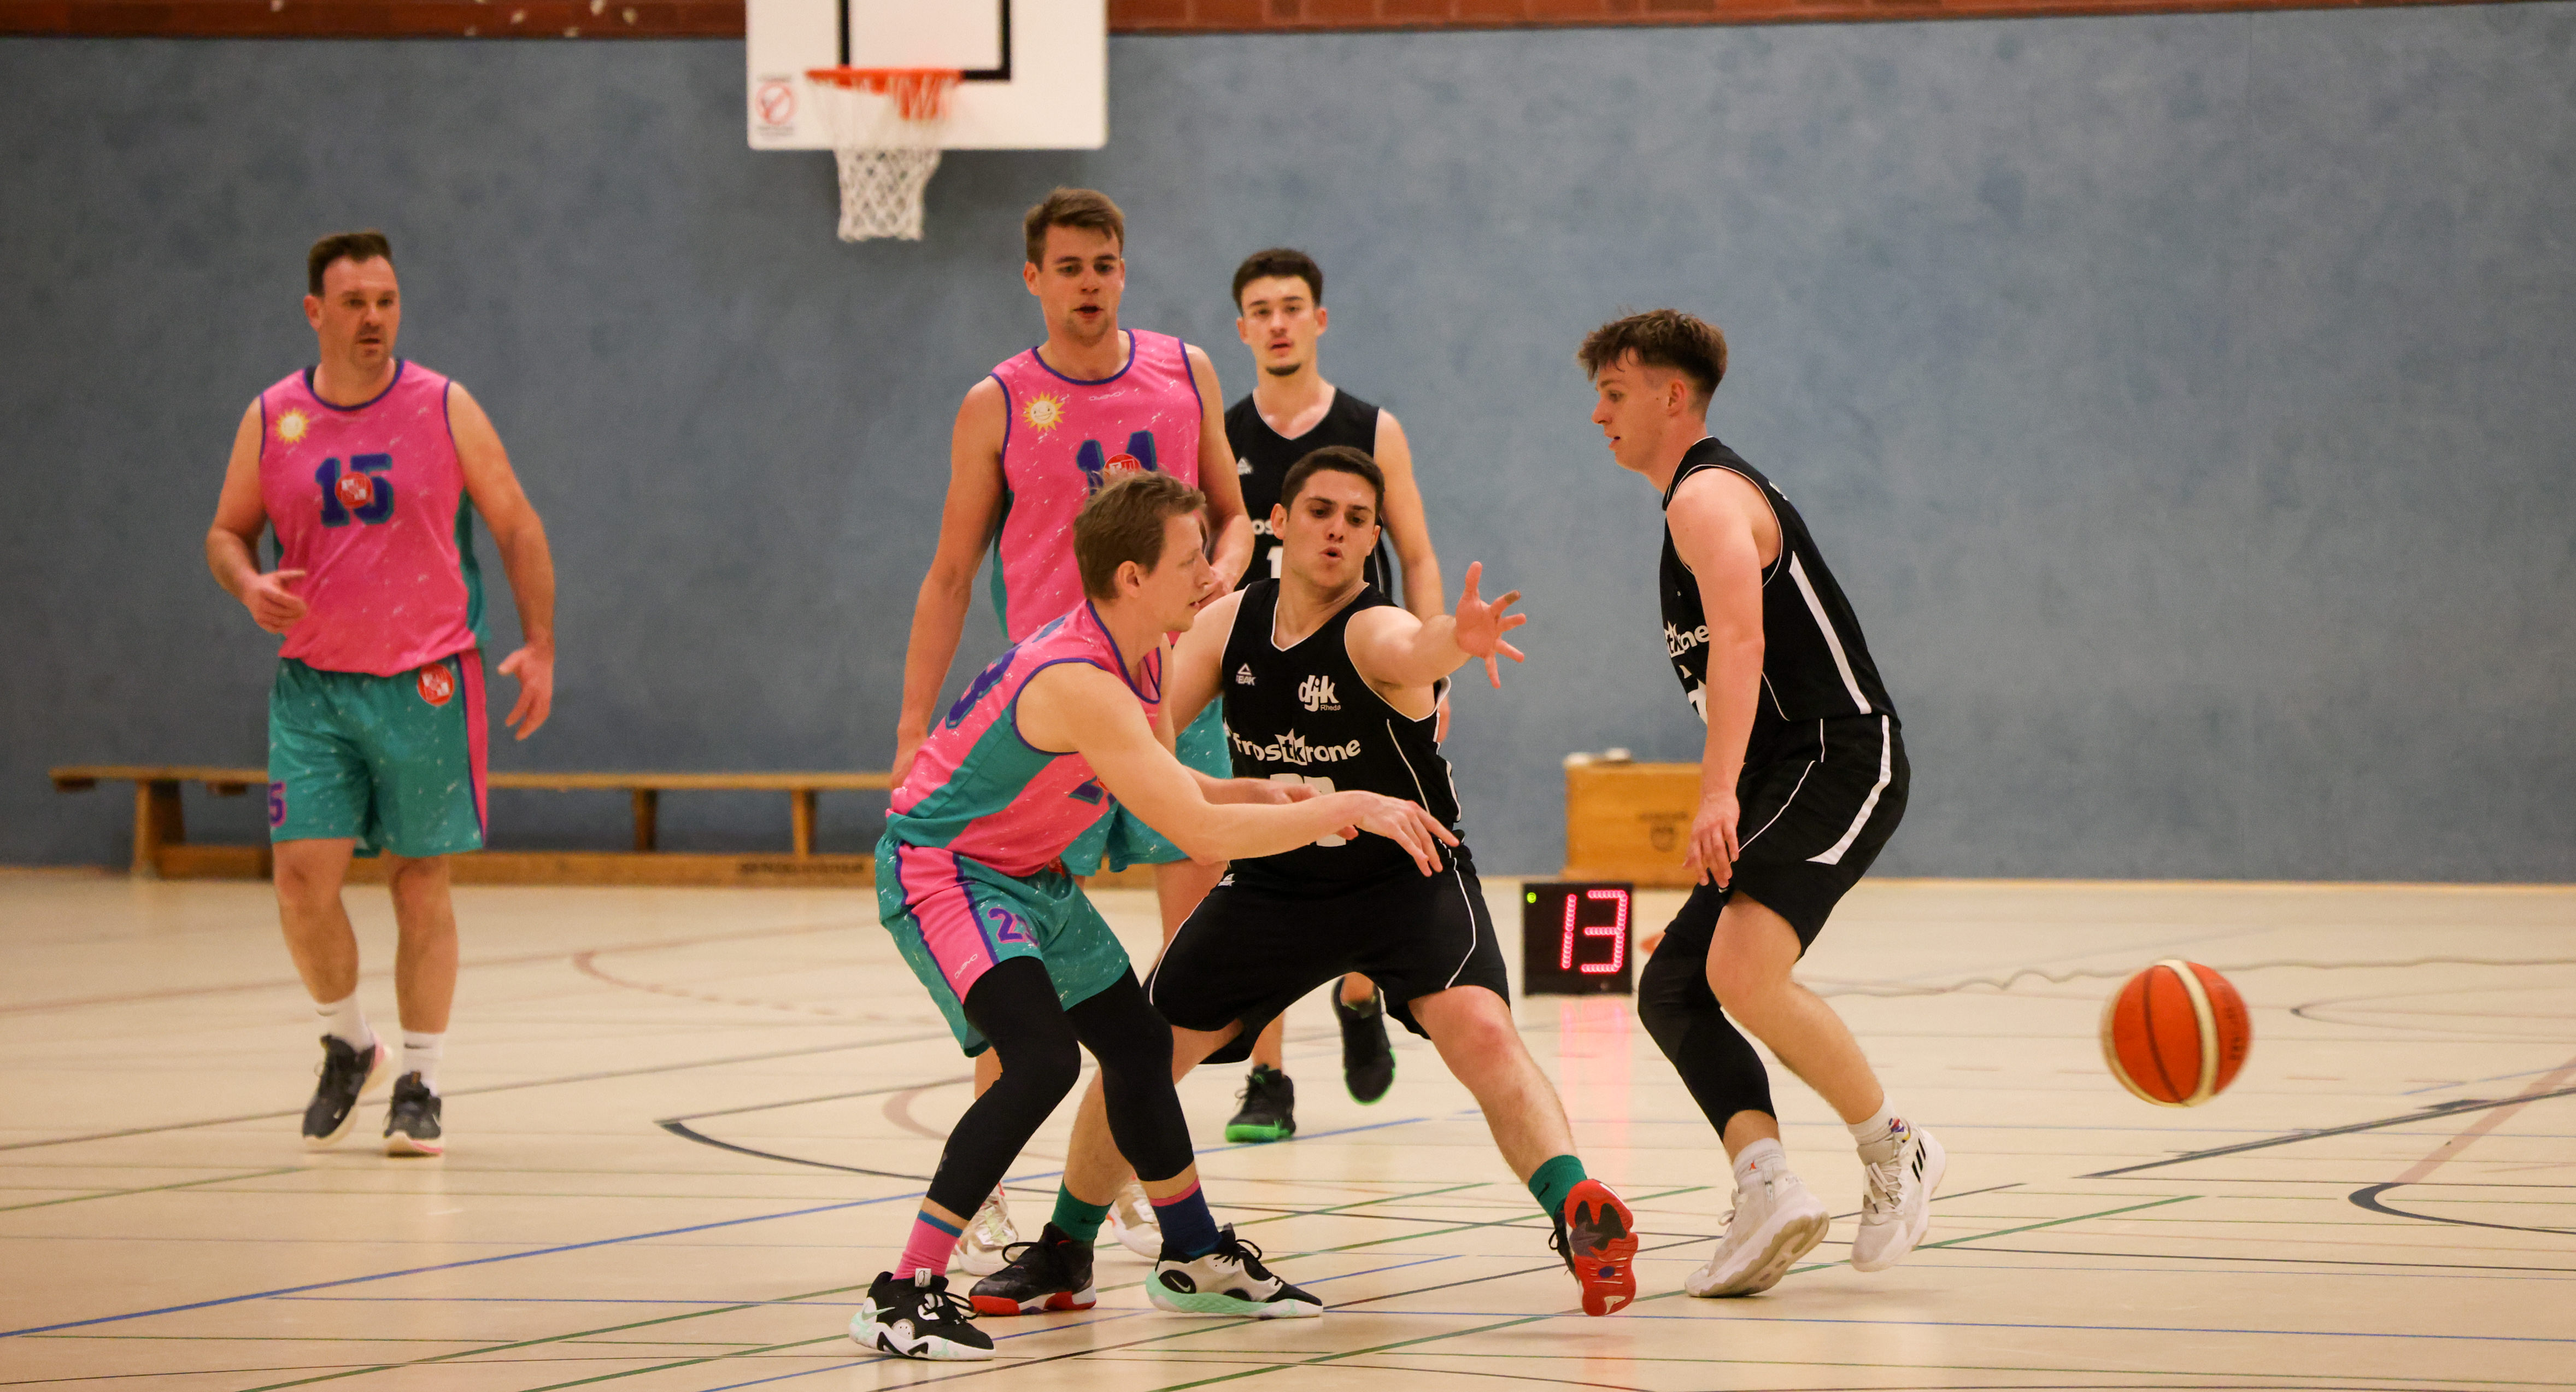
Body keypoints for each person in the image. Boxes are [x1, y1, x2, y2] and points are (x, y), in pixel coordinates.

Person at [968, 447, 1641, 1320]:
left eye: (1357, 519)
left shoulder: (1371, 629)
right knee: (1140, 1052)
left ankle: (1575, 1207)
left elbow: (1415, 646)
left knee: (1481, 1030)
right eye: (1320, 510)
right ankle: (1066, 1247)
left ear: (1372, 537)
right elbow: (1143, 734)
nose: (1337, 530)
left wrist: (1456, 641)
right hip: (1272, 886)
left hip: (1405, 880)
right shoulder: (1228, 624)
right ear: (1279, 523)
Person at [855, 473, 1458, 1360]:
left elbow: (1173, 786)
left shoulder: (1142, 656)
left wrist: (1258, 789)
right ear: (1132, 577)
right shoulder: (1078, 678)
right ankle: (903, 1290)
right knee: (1041, 1060)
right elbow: (1196, 834)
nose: (1212, 574)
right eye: (1190, 560)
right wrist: (1345, 806)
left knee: (1139, 1045)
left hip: (1028, 874)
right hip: (947, 870)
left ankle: (1194, 1253)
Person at [890, 188, 1254, 1268]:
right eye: (1068, 265)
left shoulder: (1186, 370)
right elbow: (950, 572)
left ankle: (1130, 1174)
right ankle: (987, 1196)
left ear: (1123, 270)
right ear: (1033, 278)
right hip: (1057, 712)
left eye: (1104, 263)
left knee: (1184, 961)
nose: (1089, 282)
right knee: (1021, 947)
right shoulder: (998, 401)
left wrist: (1219, 577)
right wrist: (911, 724)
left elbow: (1234, 514)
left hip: (1169, 682)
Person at [1580, 309, 1944, 1297]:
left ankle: (1897, 1147)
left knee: (1739, 971)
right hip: (1783, 770)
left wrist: (1713, 794)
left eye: (1613, 395)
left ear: (1672, 396)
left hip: (1837, 754)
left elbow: (1740, 644)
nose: (1598, 415)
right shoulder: (1689, 505)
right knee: (1673, 987)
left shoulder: (1706, 495)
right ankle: (1767, 1185)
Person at [204, 230, 558, 1158]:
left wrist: (539, 645)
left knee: (418, 880)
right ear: (315, 312)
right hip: (314, 687)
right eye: (355, 302)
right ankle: (349, 1040)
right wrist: (247, 583)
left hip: (427, 679)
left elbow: (518, 526)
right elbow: (226, 532)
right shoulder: (273, 416)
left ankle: (422, 1080)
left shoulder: (443, 405)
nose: (374, 318)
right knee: (300, 881)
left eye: (387, 301)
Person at [1214, 249, 1449, 1141]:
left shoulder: (1371, 428)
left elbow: (1416, 552)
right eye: (1261, 309)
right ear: (1242, 328)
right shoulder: (1223, 436)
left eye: (1292, 306)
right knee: (1266, 862)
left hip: (1363, 670)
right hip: (1259, 675)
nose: (1277, 322)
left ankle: (1357, 993)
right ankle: (1267, 1078)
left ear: (1318, 320)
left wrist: (1430, 666)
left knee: (1367, 846)